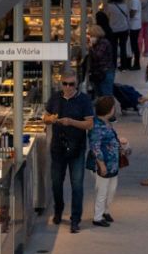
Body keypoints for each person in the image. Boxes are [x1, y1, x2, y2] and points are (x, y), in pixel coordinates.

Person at [42, 73, 96, 232]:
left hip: (77, 148)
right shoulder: (55, 98)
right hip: (58, 148)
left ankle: (75, 219)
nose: (68, 87)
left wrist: (71, 122)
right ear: (61, 84)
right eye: (65, 84)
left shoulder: (84, 100)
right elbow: (45, 116)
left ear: (76, 84)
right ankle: (58, 210)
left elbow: (89, 124)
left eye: (71, 84)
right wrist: (50, 119)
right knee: (56, 183)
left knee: (77, 185)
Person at [87, 95, 122, 227]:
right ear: (110, 109)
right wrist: (101, 164)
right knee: (102, 190)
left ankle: (105, 211)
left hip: (112, 164)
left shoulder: (107, 123)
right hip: (102, 165)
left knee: (111, 189)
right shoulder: (97, 126)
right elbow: (95, 146)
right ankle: (97, 217)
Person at [84, 26, 116, 104]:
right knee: (100, 95)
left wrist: (90, 47)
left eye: (92, 36)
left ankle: (109, 112)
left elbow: (98, 56)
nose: (91, 38)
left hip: (105, 72)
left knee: (106, 95)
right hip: (98, 72)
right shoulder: (97, 43)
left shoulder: (104, 43)